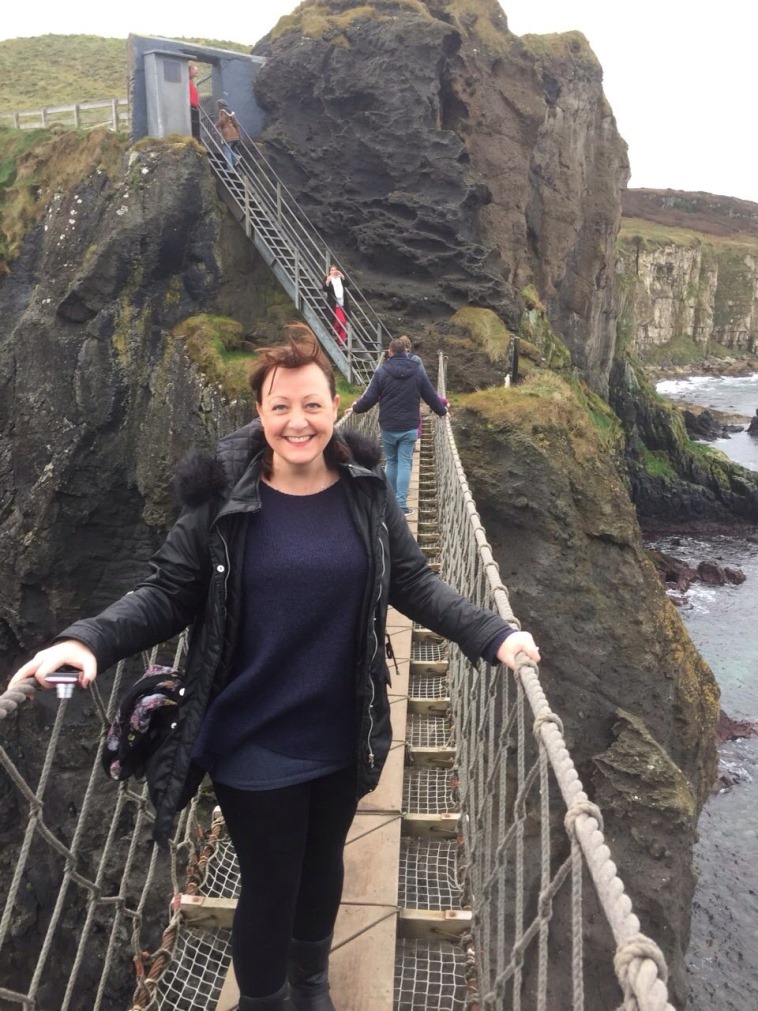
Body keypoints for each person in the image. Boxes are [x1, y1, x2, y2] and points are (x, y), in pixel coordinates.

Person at [8, 326, 540, 1011]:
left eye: (312, 405)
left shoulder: (365, 493)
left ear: (338, 406)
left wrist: (493, 633)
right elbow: (165, 595)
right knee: (270, 880)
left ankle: (311, 980)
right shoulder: (220, 506)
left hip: (345, 729)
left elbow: (414, 583)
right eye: (280, 405)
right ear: (259, 412)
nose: (298, 421)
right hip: (252, 739)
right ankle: (264, 999)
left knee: (322, 867)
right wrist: (88, 640)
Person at [345, 337, 448, 516]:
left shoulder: (382, 372)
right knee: (405, 463)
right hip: (409, 426)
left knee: (391, 462)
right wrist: (442, 411)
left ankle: (388, 503)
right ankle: (401, 505)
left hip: (388, 425)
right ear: (406, 352)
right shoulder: (417, 371)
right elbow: (430, 396)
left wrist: (355, 408)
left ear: (389, 352)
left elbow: (369, 398)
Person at [323, 265, 349, 346]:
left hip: (342, 304)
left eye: (335, 270)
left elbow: (347, 284)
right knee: (342, 321)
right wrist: (327, 281)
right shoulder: (329, 280)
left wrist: (342, 276)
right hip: (334, 304)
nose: (334, 271)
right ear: (329, 272)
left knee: (344, 324)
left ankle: (341, 342)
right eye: (332, 270)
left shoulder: (340, 279)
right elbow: (325, 289)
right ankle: (334, 331)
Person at [215, 99, 241, 169]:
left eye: (217, 105)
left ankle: (230, 168)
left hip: (228, 134)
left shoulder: (222, 111)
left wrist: (215, 126)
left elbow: (222, 120)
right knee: (227, 149)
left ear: (220, 105)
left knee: (226, 150)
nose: (217, 107)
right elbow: (236, 123)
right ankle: (236, 158)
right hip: (234, 133)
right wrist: (238, 134)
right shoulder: (230, 112)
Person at [188, 64, 200, 140]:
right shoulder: (186, 81)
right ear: (190, 70)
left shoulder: (191, 82)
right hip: (190, 107)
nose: (196, 74)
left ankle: (196, 139)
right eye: (195, 71)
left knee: (195, 126)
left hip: (194, 107)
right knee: (193, 125)